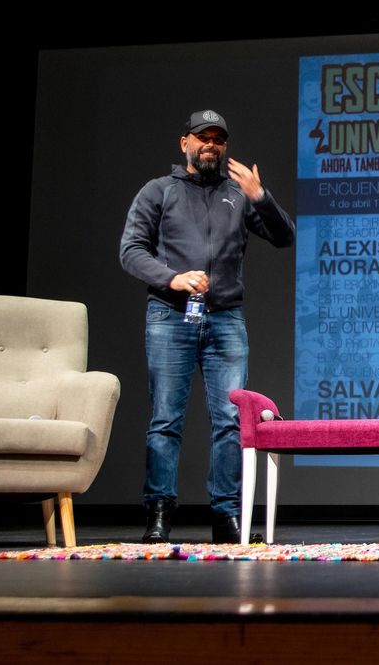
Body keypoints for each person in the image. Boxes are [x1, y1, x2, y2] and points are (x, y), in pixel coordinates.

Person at [119, 110, 295, 543]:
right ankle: (158, 513)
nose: (211, 145)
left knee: (231, 423)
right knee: (165, 420)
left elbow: (284, 236)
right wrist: (171, 278)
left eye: (218, 139)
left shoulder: (237, 193)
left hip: (225, 318)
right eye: (203, 137)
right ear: (185, 143)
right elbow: (131, 250)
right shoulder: (158, 192)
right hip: (170, 315)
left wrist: (261, 197)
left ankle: (225, 516)